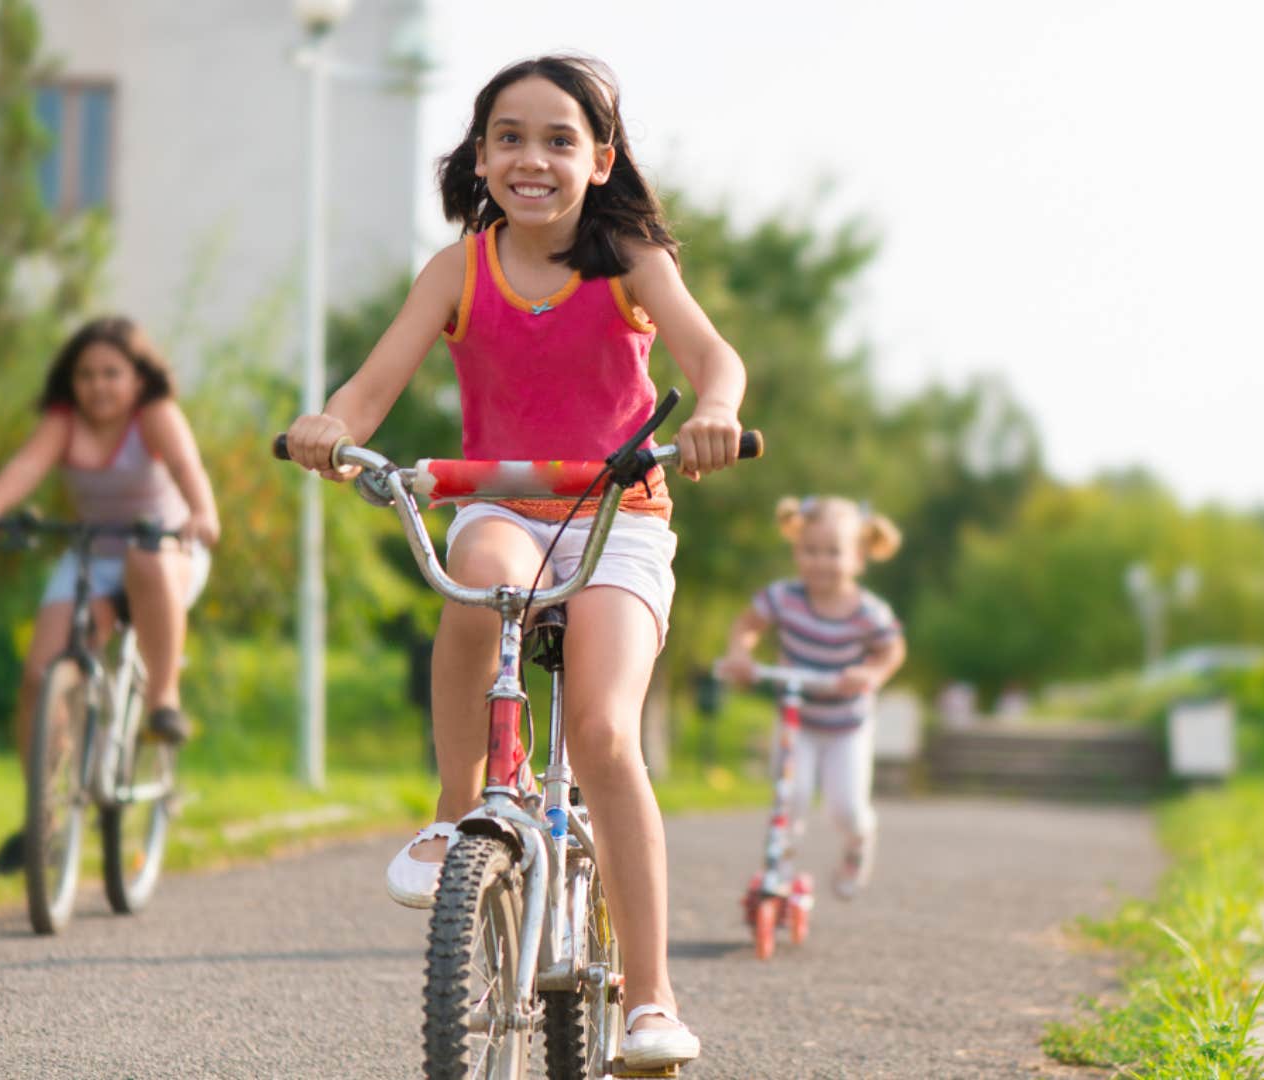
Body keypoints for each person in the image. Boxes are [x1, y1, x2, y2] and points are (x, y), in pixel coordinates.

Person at [281, 54, 745, 1069]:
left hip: (616, 512)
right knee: (474, 590)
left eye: (558, 139)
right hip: (502, 504)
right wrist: (331, 424)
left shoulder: (630, 261)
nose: (531, 157)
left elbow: (715, 358)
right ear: (480, 156)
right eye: (509, 137)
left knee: (602, 731)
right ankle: (461, 811)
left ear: (601, 159)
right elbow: (372, 387)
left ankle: (653, 1002)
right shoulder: (459, 268)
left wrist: (714, 412)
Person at [0, 315, 220, 873]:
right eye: (85, 375)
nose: (98, 385)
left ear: (137, 378)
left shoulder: (154, 415)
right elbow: (26, 465)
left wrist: (203, 513)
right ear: (70, 382)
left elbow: (186, 466)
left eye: (111, 373)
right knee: (40, 677)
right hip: (95, 554)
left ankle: (162, 702)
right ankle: (45, 819)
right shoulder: (63, 422)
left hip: (167, 550)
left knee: (145, 556)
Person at [717, 496, 906, 900]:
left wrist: (871, 673)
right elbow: (748, 625)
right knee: (791, 796)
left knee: (846, 809)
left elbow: (892, 650)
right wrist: (741, 654)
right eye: (810, 551)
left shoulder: (867, 612)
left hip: (846, 726)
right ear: (796, 550)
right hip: (796, 721)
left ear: (858, 557)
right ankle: (779, 869)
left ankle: (859, 843)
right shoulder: (784, 597)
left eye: (833, 552)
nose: (820, 561)